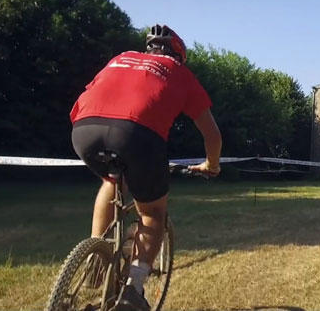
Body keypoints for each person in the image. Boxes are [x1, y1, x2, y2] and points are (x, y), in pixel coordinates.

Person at [69, 24, 222, 311]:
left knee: (111, 182)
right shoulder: (179, 72)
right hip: (136, 134)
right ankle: (133, 291)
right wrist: (211, 165)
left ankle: (96, 264)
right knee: (152, 214)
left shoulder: (120, 58)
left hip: (84, 128)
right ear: (178, 55)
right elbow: (212, 134)